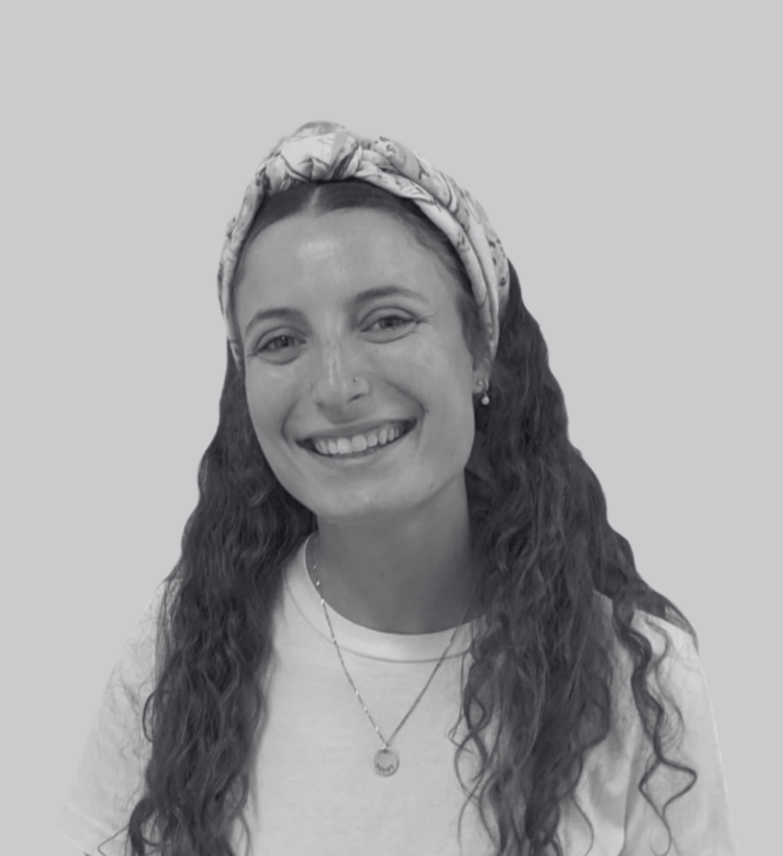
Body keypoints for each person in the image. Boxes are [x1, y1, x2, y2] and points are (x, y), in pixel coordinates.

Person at [59, 122, 737, 856]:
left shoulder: (635, 681)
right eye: (281, 340)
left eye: (385, 321)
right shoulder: (178, 651)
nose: (337, 385)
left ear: (480, 348)